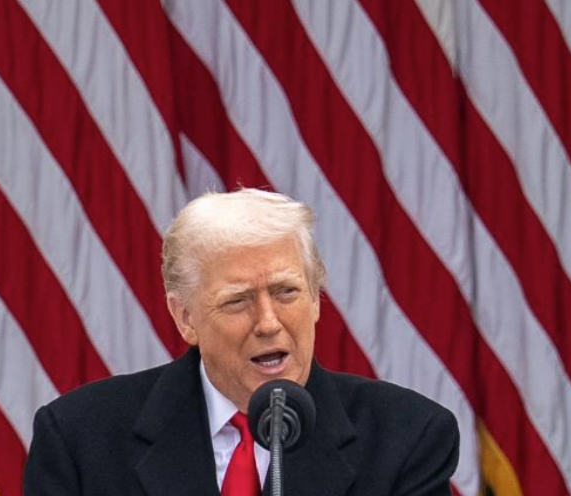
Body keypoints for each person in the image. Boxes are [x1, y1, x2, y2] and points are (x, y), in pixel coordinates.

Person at [23, 188, 459, 495]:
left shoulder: (408, 438)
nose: (268, 323)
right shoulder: (81, 438)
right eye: (238, 301)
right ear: (186, 317)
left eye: (286, 292)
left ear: (315, 300)